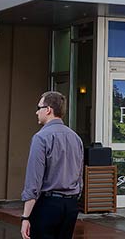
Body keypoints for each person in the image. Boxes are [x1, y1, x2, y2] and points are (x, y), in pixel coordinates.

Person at [20, 91, 83, 239]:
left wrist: (25, 217)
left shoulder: (41, 138)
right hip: (71, 206)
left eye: (39, 107)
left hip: (48, 205)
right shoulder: (76, 138)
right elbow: (79, 175)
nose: (36, 112)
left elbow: (33, 181)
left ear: (48, 110)